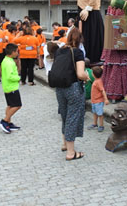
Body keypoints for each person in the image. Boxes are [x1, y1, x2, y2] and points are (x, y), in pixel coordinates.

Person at [54, 28, 90, 160]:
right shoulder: (78, 52)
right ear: (80, 39)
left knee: (64, 115)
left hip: (60, 88)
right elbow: (80, 74)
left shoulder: (60, 50)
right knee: (72, 117)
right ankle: (71, 152)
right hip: (73, 88)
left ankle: (65, 143)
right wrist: (87, 77)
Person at [0, 43, 22, 134]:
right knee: (17, 105)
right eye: (17, 51)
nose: (18, 53)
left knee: (10, 105)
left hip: (7, 86)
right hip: (11, 87)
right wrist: (18, 78)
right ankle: (4, 121)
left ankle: (8, 122)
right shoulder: (8, 62)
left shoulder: (7, 60)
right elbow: (9, 76)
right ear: (13, 52)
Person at [87, 66, 109, 132]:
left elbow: (102, 90)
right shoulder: (96, 80)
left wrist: (106, 99)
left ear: (93, 74)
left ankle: (101, 125)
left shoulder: (98, 82)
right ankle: (95, 124)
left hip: (98, 101)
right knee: (95, 112)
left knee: (100, 114)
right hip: (94, 101)